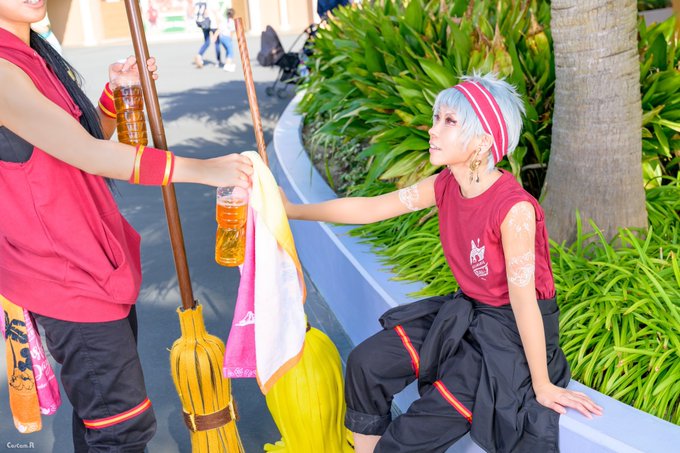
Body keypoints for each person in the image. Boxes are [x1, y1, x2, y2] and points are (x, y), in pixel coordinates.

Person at [280, 73, 603, 452]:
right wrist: (292, 211)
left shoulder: (513, 209)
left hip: (509, 336)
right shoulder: (445, 184)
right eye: (437, 118)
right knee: (366, 364)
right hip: (468, 312)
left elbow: (523, 301)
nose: (433, 129)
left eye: (449, 121)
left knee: (408, 438)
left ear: (482, 141)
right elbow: (371, 208)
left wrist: (543, 384)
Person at [0, 1, 252, 451]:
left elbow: (78, 142)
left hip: (92, 258)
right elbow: (91, 155)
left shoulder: (32, 53)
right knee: (121, 429)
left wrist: (113, 95)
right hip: (62, 272)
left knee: (102, 421)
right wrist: (203, 169)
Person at [193, 0, 222, 68]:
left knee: (207, 42)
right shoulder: (213, 2)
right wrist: (219, 26)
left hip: (205, 24)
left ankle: (199, 55)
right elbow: (216, 14)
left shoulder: (203, 2)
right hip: (213, 24)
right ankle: (218, 61)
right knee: (217, 43)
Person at [218, 8, 236, 72]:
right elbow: (232, 32)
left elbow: (219, 29)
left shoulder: (224, 20)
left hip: (221, 37)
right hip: (227, 37)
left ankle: (227, 63)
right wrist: (230, 38)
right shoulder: (232, 22)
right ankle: (227, 65)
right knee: (230, 51)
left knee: (227, 50)